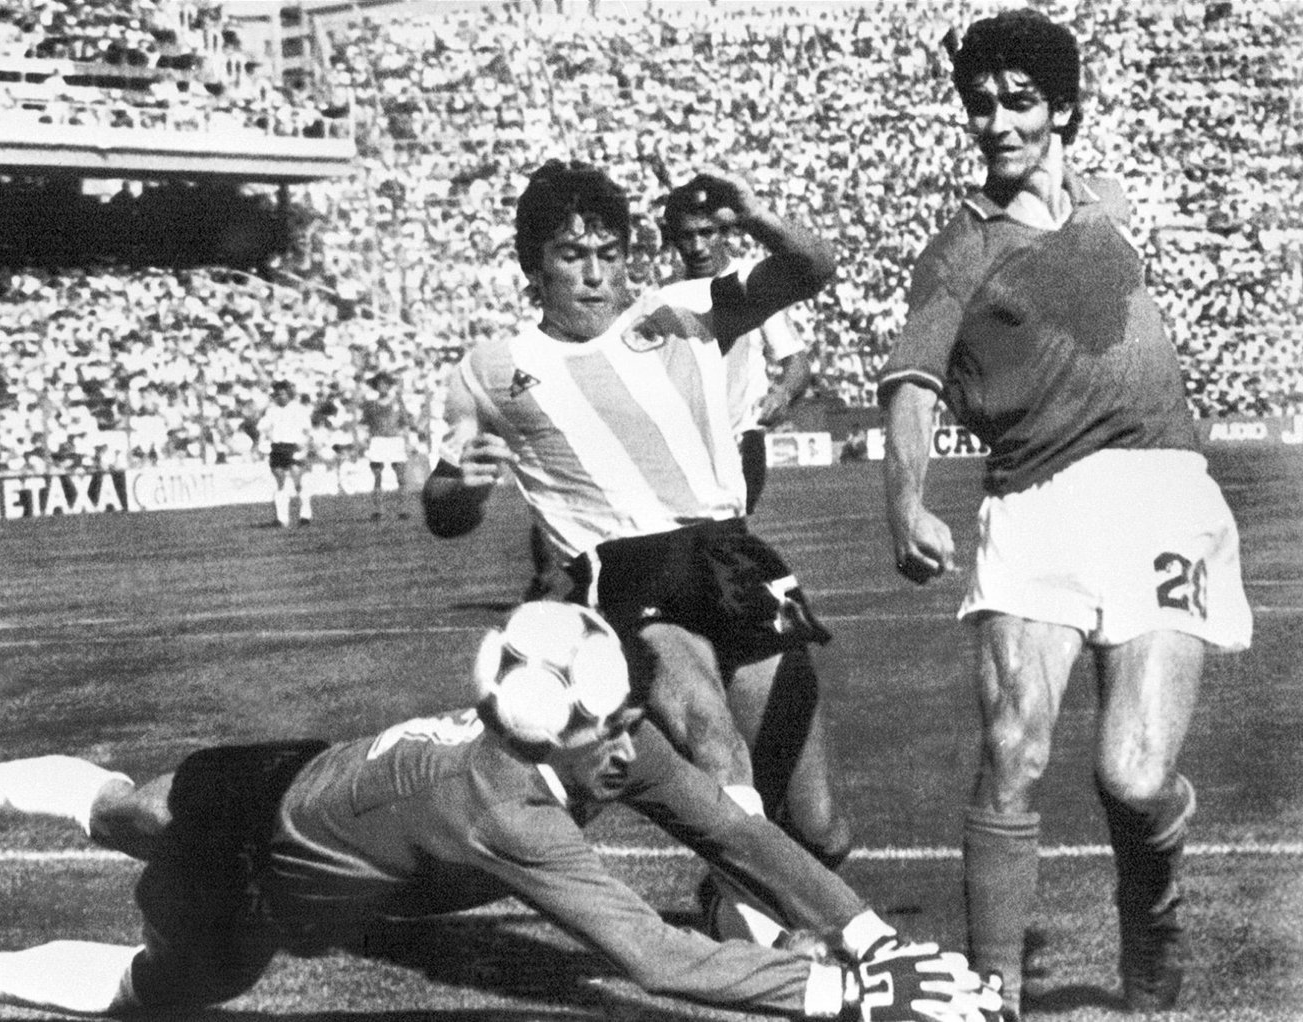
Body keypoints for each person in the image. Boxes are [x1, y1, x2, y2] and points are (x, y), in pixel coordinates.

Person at [0, 604, 1003, 1022]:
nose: (633, 746)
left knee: (128, 807)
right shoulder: (507, 813)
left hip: (296, 776)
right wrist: (844, 994)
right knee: (165, 981)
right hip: (267, 854)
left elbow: (736, 831)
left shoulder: (594, 729)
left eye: (624, 719)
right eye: (606, 732)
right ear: (547, 728)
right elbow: (655, 957)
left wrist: (871, 934)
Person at [877, 10, 1254, 1018]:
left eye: (1019, 100)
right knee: (1013, 746)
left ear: (1064, 109)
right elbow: (911, 384)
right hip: (1033, 500)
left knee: (1134, 777)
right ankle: (990, 991)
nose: (996, 120)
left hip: (1161, 492)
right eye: (981, 102)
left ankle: (1155, 892)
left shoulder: (1116, 204)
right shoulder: (958, 248)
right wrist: (904, 499)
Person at [421, 160, 851, 946]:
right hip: (621, 571)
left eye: (610, 253)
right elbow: (442, 512)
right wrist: (464, 484)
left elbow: (811, 268)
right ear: (532, 265)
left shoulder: (683, 310)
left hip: (732, 554)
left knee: (823, 831)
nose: (595, 275)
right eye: (571, 255)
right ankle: (768, 955)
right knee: (716, 742)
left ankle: (733, 900)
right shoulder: (490, 370)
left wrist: (756, 214)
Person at [661, 178, 813, 513]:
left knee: (725, 531)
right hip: (688, 446)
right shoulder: (666, 296)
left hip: (742, 439)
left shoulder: (751, 284)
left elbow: (797, 361)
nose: (698, 246)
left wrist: (782, 393)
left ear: (725, 233)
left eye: (707, 233)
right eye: (687, 236)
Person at [254, 380, 314, 528]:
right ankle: (282, 519)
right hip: (277, 448)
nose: (280, 397)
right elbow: (261, 427)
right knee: (280, 481)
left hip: (293, 447)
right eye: (278, 394)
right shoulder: (271, 411)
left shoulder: (298, 409)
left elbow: (307, 431)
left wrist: (304, 448)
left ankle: (305, 514)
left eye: (283, 394)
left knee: (297, 480)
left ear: (289, 394)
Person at [357, 371, 413, 521]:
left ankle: (402, 510)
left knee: (400, 477)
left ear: (389, 386)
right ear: (376, 387)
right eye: (379, 384)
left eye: (385, 384)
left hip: (395, 440)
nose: (382, 387)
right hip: (377, 441)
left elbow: (405, 423)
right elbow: (364, 424)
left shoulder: (397, 402)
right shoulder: (371, 405)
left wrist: (407, 442)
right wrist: (365, 441)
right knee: (377, 476)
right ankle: (378, 511)